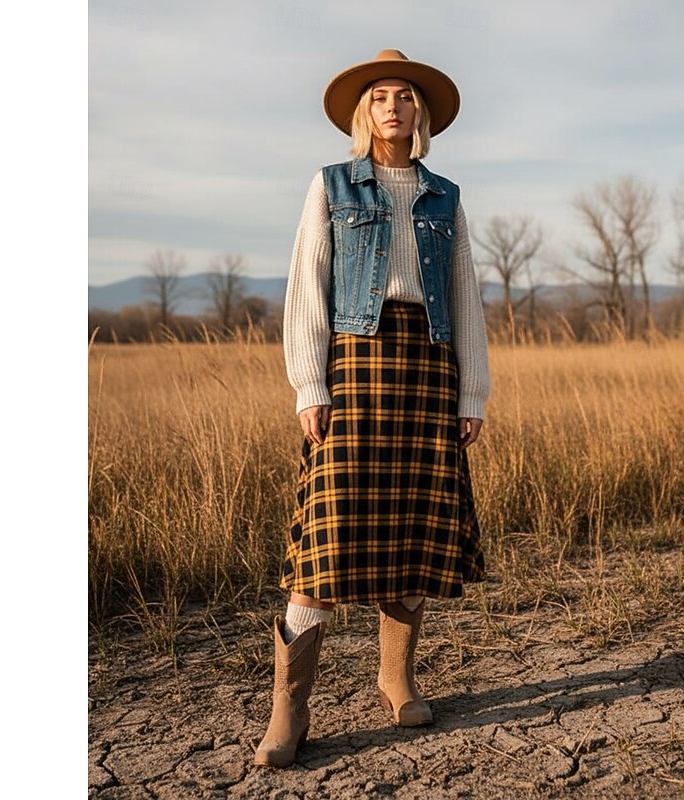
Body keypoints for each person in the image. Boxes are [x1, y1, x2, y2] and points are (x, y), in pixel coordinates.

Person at [255, 49, 491, 768]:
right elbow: (309, 280)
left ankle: (397, 678)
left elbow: (465, 295)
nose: (393, 106)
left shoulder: (444, 195)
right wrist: (310, 384)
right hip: (354, 365)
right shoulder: (331, 185)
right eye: (381, 96)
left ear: (420, 115)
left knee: (413, 533)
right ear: (365, 113)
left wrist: (471, 390)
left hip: (426, 366)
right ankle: (289, 712)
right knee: (324, 538)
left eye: (405, 97)